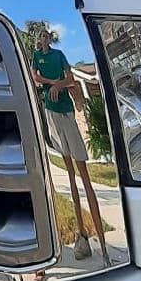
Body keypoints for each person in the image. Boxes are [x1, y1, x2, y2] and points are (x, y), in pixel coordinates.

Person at [30, 29, 110, 265]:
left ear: (49, 39)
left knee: (83, 175)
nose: (41, 40)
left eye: (44, 37)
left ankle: (104, 249)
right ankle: (81, 236)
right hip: (51, 114)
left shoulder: (58, 55)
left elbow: (71, 79)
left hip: (65, 112)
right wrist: (51, 84)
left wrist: (58, 85)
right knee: (70, 178)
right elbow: (35, 78)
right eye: (39, 37)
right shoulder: (37, 57)